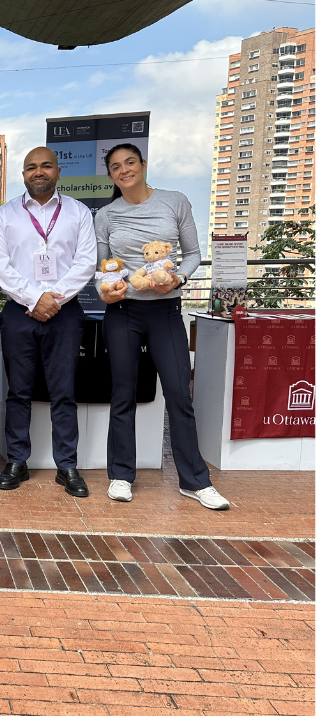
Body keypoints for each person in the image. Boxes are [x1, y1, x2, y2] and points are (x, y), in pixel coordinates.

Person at [95, 143, 230, 510]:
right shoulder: (106, 215)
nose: (124, 170)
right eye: (116, 166)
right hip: (123, 312)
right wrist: (105, 292)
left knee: (179, 395)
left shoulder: (174, 201)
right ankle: (121, 475)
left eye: (130, 163)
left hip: (166, 312)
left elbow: (193, 255)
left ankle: (195, 481)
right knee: (123, 394)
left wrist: (179, 281)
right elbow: (103, 268)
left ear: (142, 164)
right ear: (110, 175)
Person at [0, 147, 96, 498]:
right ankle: (17, 460)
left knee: (64, 392)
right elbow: (0, 265)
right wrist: (35, 299)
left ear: (58, 171)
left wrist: (55, 297)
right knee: (18, 392)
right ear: (23, 175)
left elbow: (86, 262)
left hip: (65, 313)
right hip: (19, 313)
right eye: (31, 167)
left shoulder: (78, 212)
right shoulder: (5, 215)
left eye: (46, 165)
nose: (39, 172)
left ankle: (67, 466)